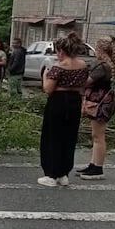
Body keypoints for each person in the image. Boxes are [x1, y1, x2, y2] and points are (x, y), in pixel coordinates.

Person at [37, 32, 89, 187]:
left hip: (58, 101)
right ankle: (63, 173)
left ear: (61, 50)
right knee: (69, 137)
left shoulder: (58, 67)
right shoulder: (83, 65)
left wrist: (45, 76)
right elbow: (84, 84)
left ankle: (51, 174)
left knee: (53, 136)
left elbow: (48, 89)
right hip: (74, 101)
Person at [77, 36, 115, 180]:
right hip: (106, 103)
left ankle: (97, 168)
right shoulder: (111, 65)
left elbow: (86, 82)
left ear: (99, 49)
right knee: (97, 135)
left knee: (98, 136)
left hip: (100, 104)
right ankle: (93, 164)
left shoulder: (102, 66)